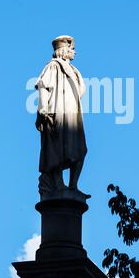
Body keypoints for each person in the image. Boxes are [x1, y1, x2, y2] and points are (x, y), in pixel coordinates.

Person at [35, 36, 87, 194]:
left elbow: (80, 91)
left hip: (73, 115)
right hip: (57, 111)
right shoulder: (53, 66)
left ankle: (73, 185)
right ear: (64, 50)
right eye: (72, 49)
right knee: (56, 148)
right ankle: (59, 185)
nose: (74, 52)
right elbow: (43, 85)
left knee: (80, 150)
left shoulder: (74, 70)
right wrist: (43, 107)